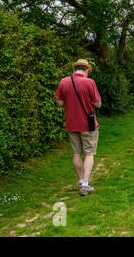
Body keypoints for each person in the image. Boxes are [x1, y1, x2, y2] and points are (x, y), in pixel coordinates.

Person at [55, 59, 102, 196]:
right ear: (86, 70)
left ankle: (81, 181)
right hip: (88, 124)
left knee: (76, 153)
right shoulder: (89, 82)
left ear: (74, 69)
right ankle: (86, 185)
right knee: (89, 153)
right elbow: (98, 104)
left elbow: (59, 103)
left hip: (71, 123)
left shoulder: (64, 82)